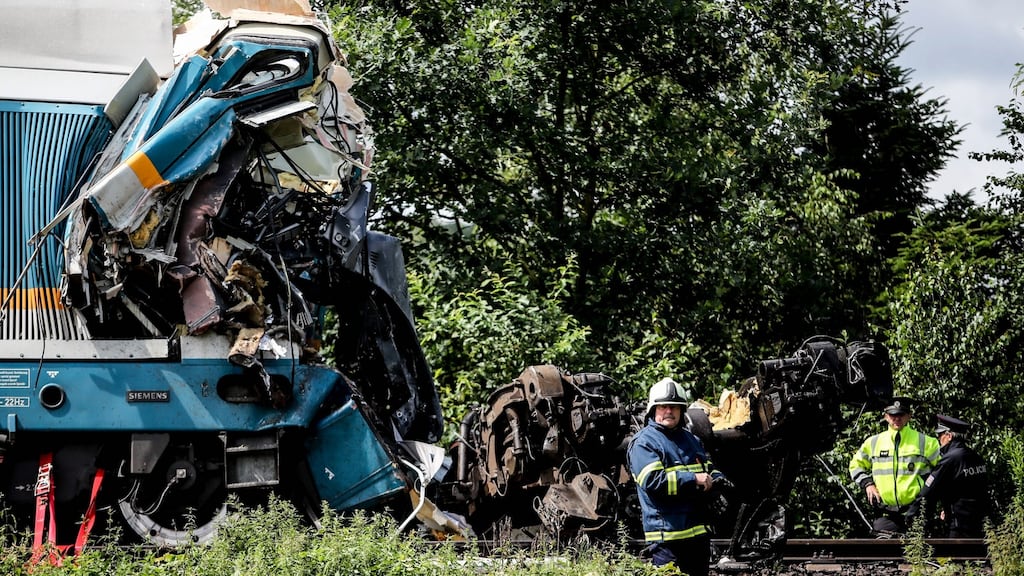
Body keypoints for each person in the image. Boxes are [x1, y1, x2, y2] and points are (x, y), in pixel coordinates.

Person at [628, 377, 726, 576]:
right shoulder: (644, 443)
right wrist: (694, 479)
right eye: (663, 406)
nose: (668, 411)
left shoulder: (691, 439)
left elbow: (707, 468)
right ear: (653, 410)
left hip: (698, 534)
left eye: (674, 407)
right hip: (667, 538)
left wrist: (718, 480)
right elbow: (654, 482)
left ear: (682, 411)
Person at [849, 397, 940, 534]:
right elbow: (855, 465)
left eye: (901, 414)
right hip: (885, 513)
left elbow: (943, 472)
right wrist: (867, 483)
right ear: (886, 416)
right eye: (893, 415)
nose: (897, 418)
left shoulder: (926, 442)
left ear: (909, 416)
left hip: (916, 511)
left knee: (919, 553)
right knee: (884, 554)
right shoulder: (873, 442)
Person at [919, 414, 990, 537]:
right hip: (980, 522)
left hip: (959, 526)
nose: (938, 439)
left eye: (940, 435)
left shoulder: (950, 459)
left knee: (957, 555)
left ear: (949, 436)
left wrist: (912, 515)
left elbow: (929, 490)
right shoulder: (975, 456)